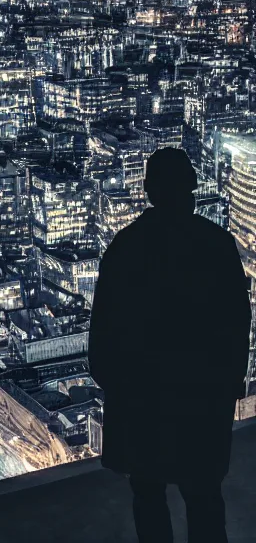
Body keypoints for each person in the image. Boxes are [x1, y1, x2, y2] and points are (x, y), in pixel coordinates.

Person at [88, 147, 252, 543]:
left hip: (143, 401)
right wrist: (229, 386)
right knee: (204, 499)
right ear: (192, 190)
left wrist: (118, 386)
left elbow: (103, 333)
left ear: (148, 190)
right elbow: (237, 322)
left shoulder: (125, 248)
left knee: (148, 496)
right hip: (201, 400)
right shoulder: (216, 245)